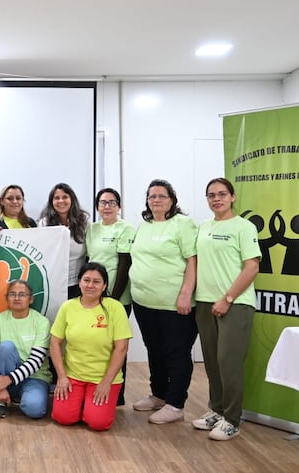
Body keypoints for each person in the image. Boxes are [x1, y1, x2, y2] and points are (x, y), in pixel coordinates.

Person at [192, 178, 260, 441]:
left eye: (222, 194)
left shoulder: (244, 227)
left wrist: (228, 298)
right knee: (211, 362)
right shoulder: (203, 228)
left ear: (232, 197)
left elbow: (252, 266)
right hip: (205, 303)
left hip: (235, 303)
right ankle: (217, 411)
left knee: (228, 363)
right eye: (211, 195)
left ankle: (232, 419)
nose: (216, 199)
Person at [130, 179, 198, 424]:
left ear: (172, 199)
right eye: (151, 196)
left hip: (174, 304)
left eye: (161, 196)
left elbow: (193, 259)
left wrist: (185, 294)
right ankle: (158, 394)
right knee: (154, 350)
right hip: (144, 301)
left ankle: (175, 404)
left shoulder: (183, 224)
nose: (156, 200)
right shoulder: (144, 225)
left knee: (176, 353)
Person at [50, 262, 132, 430]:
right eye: (86, 280)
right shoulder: (68, 307)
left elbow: (121, 348)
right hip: (73, 376)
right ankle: (81, 403)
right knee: (63, 418)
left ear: (104, 286)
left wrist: (106, 382)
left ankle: (88, 406)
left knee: (98, 423)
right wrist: (62, 377)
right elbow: (55, 343)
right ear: (79, 282)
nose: (90, 285)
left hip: (103, 378)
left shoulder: (115, 308)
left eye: (96, 281)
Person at [86, 188, 135, 405]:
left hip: (117, 296)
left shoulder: (125, 228)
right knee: (97, 342)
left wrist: (113, 299)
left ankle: (118, 394)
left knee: (117, 345)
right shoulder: (92, 229)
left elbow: (125, 263)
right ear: (97, 206)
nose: (107, 206)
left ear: (119, 206)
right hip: (93, 296)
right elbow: (89, 259)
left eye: (112, 202)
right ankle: (95, 387)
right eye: (103, 202)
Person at [0, 280, 52, 419]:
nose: (17, 298)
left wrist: (8, 380)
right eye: (12, 294)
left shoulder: (41, 322)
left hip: (35, 376)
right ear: (7, 298)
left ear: (31, 299)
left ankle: (21, 395)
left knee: (34, 410)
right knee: (6, 347)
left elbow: (36, 361)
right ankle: (1, 399)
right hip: (6, 379)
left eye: (22, 294)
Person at [38, 183, 89, 299]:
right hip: (53, 282)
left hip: (78, 283)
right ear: (51, 202)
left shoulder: (84, 221)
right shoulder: (44, 223)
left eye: (65, 197)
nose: (61, 201)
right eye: (56, 198)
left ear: (72, 199)